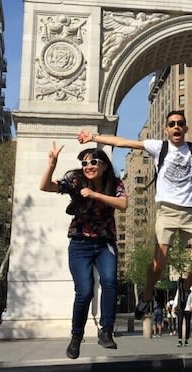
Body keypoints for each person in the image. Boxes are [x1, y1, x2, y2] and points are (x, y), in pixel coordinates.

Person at [78, 100, 192, 320]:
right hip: (167, 211)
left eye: (180, 123)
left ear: (186, 128)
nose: (176, 127)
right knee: (159, 263)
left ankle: (184, 286)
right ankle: (146, 296)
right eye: (172, 124)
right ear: (166, 129)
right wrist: (94, 137)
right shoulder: (158, 147)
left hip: (191, 213)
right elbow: (124, 142)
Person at [40, 144, 127, 359]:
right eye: (85, 163)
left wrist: (95, 195)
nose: (88, 166)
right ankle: (76, 336)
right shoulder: (76, 180)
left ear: (104, 166)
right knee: (85, 291)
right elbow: (45, 186)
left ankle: (106, 331)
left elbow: (122, 204)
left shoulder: (114, 183)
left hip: (105, 242)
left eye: (93, 162)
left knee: (110, 281)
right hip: (80, 243)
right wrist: (51, 165)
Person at [175, 282, 192, 347]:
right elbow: (176, 297)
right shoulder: (179, 289)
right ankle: (179, 340)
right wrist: (174, 306)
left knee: (187, 324)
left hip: (188, 308)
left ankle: (186, 340)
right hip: (180, 308)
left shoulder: (191, 288)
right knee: (179, 323)